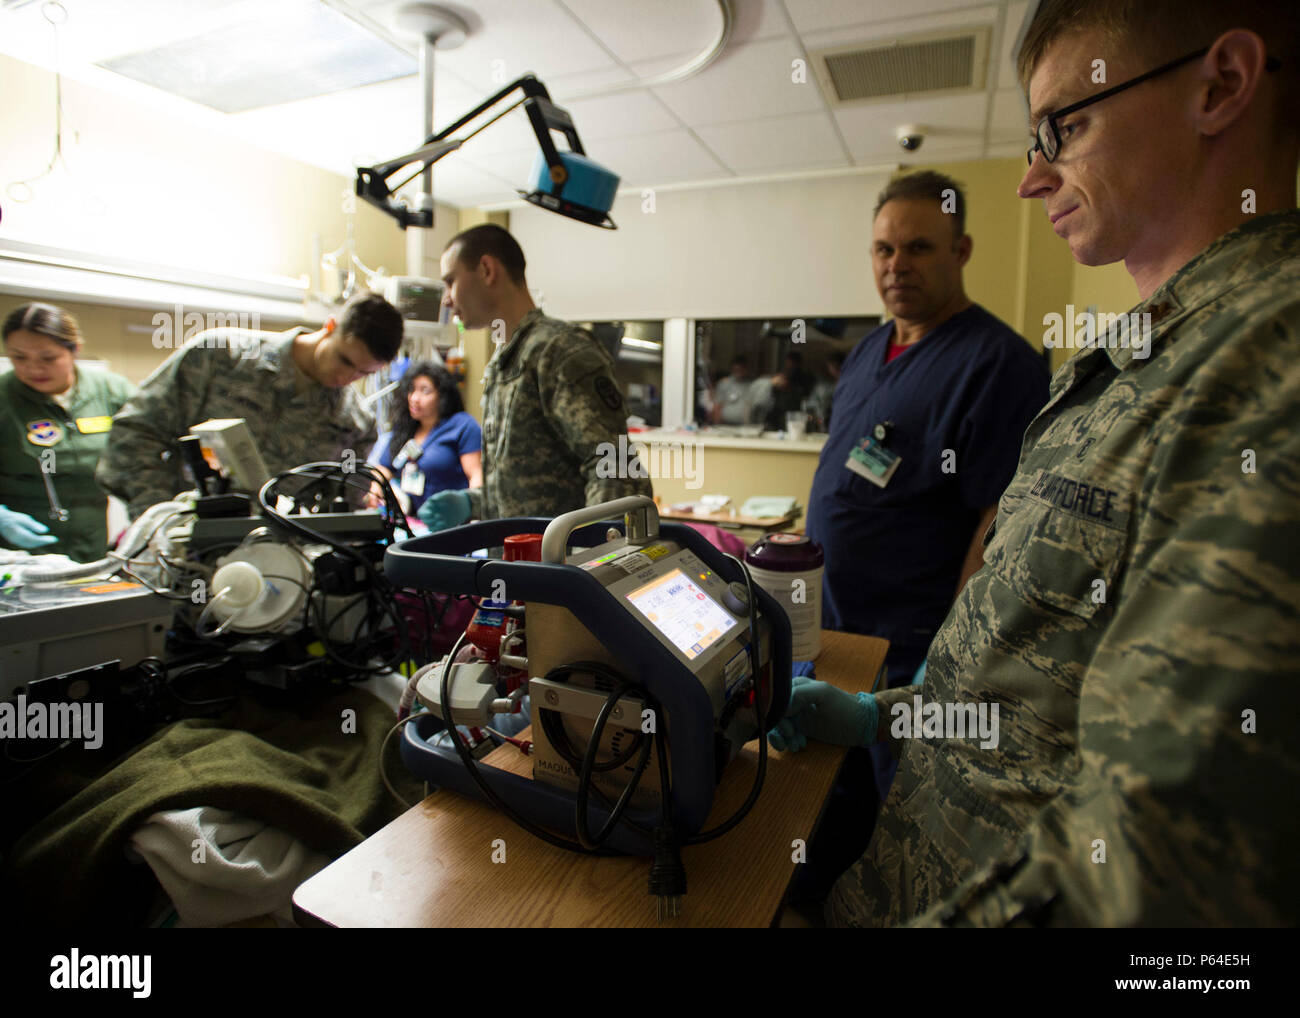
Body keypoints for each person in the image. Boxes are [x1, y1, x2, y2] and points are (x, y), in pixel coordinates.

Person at [774, 0, 1300, 926]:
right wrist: (893, 715)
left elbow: (1172, 859)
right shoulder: (1140, 358)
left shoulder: (1269, 364)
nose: (1031, 178)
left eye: (1066, 124)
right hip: (912, 850)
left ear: (1220, 86)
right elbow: (1030, 677)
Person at [805, 170, 1049, 806]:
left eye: (919, 247)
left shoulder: (999, 364)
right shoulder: (866, 352)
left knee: (902, 814)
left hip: (913, 650)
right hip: (836, 632)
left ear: (960, 251)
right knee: (826, 803)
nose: (897, 265)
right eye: (884, 249)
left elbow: (997, 523)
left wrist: (950, 656)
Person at [418, 224, 651, 530]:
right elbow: (529, 484)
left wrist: (590, 558)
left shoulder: (559, 351)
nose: (446, 299)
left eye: (451, 281)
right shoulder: (505, 362)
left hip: (559, 566)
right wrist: (474, 502)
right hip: (518, 568)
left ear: (487, 270)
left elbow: (614, 467)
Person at [97, 293, 403, 518]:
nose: (346, 377)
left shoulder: (355, 423)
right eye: (344, 360)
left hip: (279, 569)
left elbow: (341, 509)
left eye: (364, 373)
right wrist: (159, 516)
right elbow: (134, 433)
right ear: (330, 326)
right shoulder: (220, 357)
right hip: (189, 549)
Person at [1, 303, 135, 562]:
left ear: (75, 350)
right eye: (19, 357)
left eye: (48, 358)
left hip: (91, 544)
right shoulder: (4, 398)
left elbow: (155, 441)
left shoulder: (112, 391)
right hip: (16, 554)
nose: (33, 368)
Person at [366, 359, 482, 518]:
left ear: (442, 396)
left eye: (425, 391)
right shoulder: (405, 429)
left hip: (451, 520)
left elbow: (476, 476)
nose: (414, 398)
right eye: (411, 390)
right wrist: (376, 487)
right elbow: (385, 467)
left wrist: (472, 510)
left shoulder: (462, 426)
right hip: (413, 520)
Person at [710, 355, 756, 426]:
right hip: (725, 425)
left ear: (746, 369)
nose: (739, 372)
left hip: (745, 426)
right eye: (736, 370)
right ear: (732, 369)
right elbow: (717, 406)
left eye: (741, 369)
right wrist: (717, 425)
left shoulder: (752, 385)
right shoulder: (724, 383)